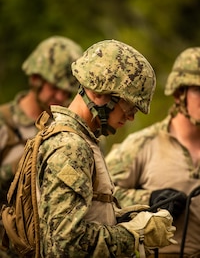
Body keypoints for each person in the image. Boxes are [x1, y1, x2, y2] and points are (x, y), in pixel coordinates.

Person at [34, 39, 176, 258]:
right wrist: (134, 235)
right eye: (128, 105)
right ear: (98, 92)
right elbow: (66, 244)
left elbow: (87, 218)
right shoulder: (70, 148)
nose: (130, 116)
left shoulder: (82, 141)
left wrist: (129, 218)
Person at [105, 47, 200, 257]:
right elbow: (101, 197)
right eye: (198, 90)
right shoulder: (142, 144)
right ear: (179, 94)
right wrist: (150, 199)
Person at [0, 35, 83, 257]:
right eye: (55, 88)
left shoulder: (72, 133)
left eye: (67, 93)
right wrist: (20, 167)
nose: (60, 97)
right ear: (36, 78)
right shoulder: (3, 123)